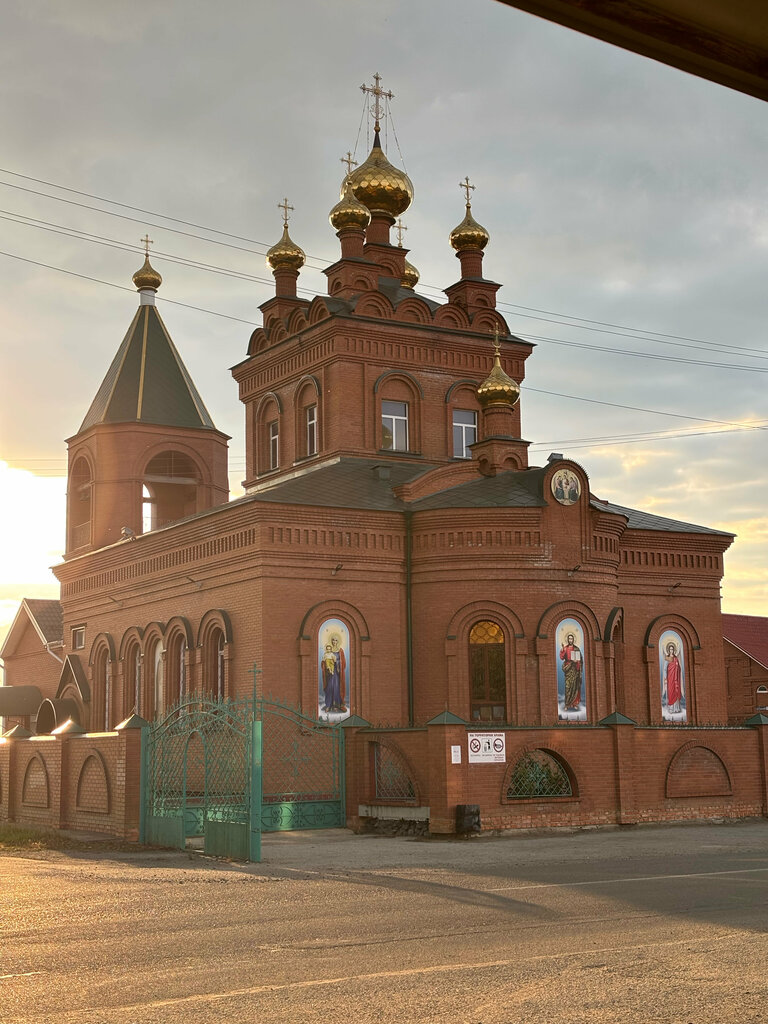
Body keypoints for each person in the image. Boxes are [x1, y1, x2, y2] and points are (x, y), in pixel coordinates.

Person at [559, 632, 583, 711]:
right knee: (568, 687)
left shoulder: (577, 649)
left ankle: (574, 703)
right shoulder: (565, 648)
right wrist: (562, 650)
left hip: (575, 669)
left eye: (571, 638)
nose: (570, 640)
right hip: (568, 668)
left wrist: (577, 662)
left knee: (575, 686)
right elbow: (562, 658)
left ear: (573, 640)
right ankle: (567, 704)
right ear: (567, 639)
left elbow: (580, 660)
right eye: (569, 638)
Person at [663, 641, 684, 714]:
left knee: (676, 691)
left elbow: (679, 669)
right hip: (670, 678)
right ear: (668, 650)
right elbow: (665, 669)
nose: (671, 650)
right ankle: (671, 708)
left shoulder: (676, 658)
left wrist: (677, 667)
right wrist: (665, 678)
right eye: (670, 649)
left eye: (672, 649)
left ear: (674, 650)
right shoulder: (667, 658)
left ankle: (676, 708)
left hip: (676, 678)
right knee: (671, 691)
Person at [330, 634, 347, 712]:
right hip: (331, 672)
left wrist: (338, 664)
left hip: (338, 673)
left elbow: (344, 662)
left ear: (338, 641)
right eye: (333, 640)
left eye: (336, 640)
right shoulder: (329, 650)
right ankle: (331, 704)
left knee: (337, 687)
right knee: (331, 687)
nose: (334, 642)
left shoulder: (341, 651)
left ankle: (338, 704)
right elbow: (325, 660)